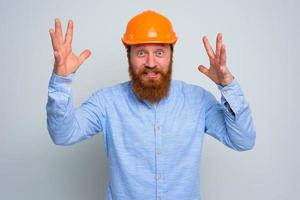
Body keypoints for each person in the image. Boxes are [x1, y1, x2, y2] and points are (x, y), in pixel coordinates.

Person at [46, 10, 256, 200]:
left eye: (159, 52)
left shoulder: (198, 101)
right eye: (140, 53)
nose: (151, 63)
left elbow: (243, 141)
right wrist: (61, 81)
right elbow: (63, 135)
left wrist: (227, 86)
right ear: (128, 55)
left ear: (171, 55)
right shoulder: (107, 102)